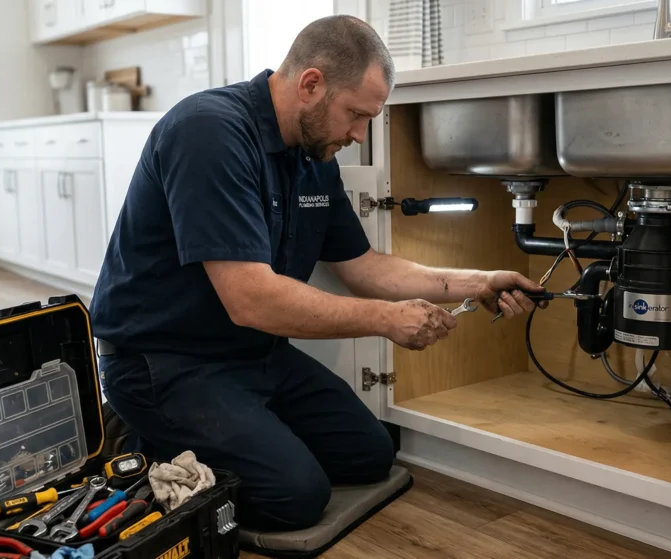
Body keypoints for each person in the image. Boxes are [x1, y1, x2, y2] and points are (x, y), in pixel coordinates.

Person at [89, 14, 543, 531]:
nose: (358, 133)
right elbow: (251, 299)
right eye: (355, 114)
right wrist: (387, 320)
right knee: (296, 496)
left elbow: (365, 267)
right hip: (165, 362)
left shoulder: (312, 157)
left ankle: (229, 436)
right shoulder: (209, 132)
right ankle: (139, 439)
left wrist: (478, 281)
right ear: (311, 84)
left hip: (252, 351)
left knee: (370, 455)